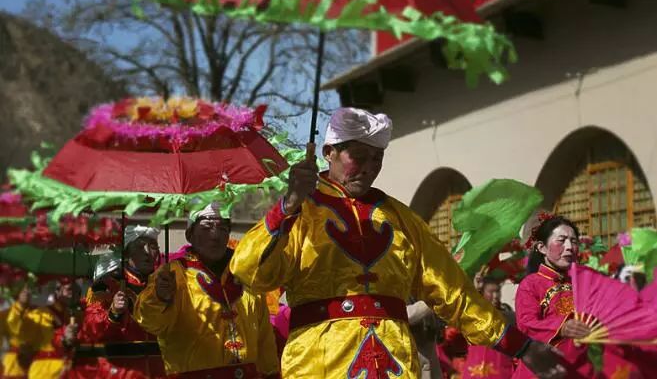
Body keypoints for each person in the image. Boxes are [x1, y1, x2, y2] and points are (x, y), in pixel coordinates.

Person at [231, 107, 565, 378]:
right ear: (328, 153)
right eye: (358, 156)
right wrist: (287, 206)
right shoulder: (300, 212)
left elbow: (455, 294)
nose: (369, 168)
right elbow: (250, 273)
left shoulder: (402, 220)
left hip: (393, 363)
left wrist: (519, 345)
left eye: (377, 158)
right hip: (319, 363)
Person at [134, 203, 279, 378]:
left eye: (223, 228)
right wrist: (160, 297)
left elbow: (265, 341)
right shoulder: (172, 276)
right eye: (207, 226)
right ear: (190, 235)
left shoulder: (246, 274)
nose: (215, 235)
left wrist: (271, 374)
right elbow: (149, 322)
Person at [64, 225, 166, 378]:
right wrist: (114, 314)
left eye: (152, 246)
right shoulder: (107, 285)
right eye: (139, 246)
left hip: (158, 371)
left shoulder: (165, 284)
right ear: (127, 252)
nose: (147, 252)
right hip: (121, 371)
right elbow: (90, 327)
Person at [513, 213, 595, 378]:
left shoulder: (584, 282)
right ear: (542, 247)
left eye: (573, 241)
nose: (569, 247)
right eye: (561, 240)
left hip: (578, 368)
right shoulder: (531, 284)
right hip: (542, 370)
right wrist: (562, 327)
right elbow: (526, 325)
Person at [7, 279, 80, 379]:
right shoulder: (41, 313)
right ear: (57, 291)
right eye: (68, 288)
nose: (72, 291)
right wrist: (21, 305)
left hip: (73, 370)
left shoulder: (81, 314)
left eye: (75, 289)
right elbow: (18, 330)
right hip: (44, 370)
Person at [462, 277, 514, 379]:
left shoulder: (509, 317)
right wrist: (475, 290)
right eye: (491, 292)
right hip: (475, 369)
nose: (495, 296)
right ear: (482, 293)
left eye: (497, 291)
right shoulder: (474, 315)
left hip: (500, 369)